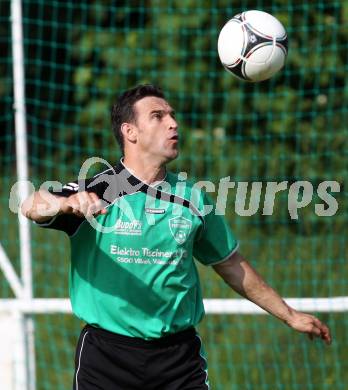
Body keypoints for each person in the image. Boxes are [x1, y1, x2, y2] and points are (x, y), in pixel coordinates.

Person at [22, 84, 331, 390]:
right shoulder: (96, 190)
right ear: (131, 132)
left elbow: (230, 264)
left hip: (178, 362)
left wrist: (289, 315)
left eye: (172, 114)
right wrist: (64, 203)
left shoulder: (192, 199)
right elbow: (31, 205)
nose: (173, 123)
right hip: (106, 359)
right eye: (158, 116)